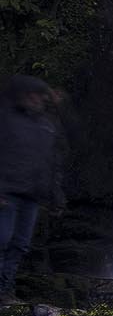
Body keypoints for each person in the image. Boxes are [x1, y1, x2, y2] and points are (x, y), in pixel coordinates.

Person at [0, 74, 64, 300]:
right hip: (6, 192)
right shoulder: (6, 118)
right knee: (2, 239)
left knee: (20, 245)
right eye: (30, 95)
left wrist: (56, 198)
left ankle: (4, 291)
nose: (35, 99)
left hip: (32, 195)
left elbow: (51, 163)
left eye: (39, 95)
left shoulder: (46, 125)